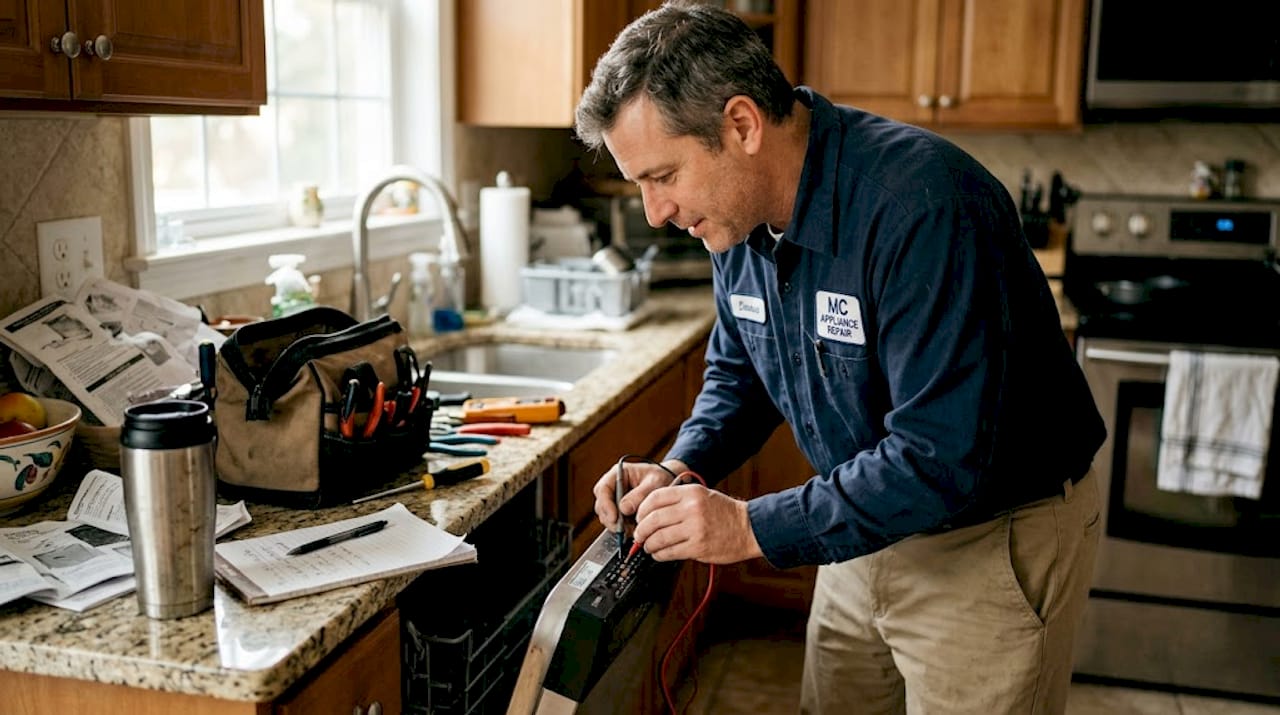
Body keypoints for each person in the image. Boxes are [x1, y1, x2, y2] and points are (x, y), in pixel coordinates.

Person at [577, 2, 1107, 714]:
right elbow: (740, 376)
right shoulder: (733, 218)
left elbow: (939, 455)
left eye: (662, 176)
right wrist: (682, 465)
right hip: (858, 527)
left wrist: (748, 527)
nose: (653, 212)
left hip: (990, 539)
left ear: (741, 125)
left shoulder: (922, 206)